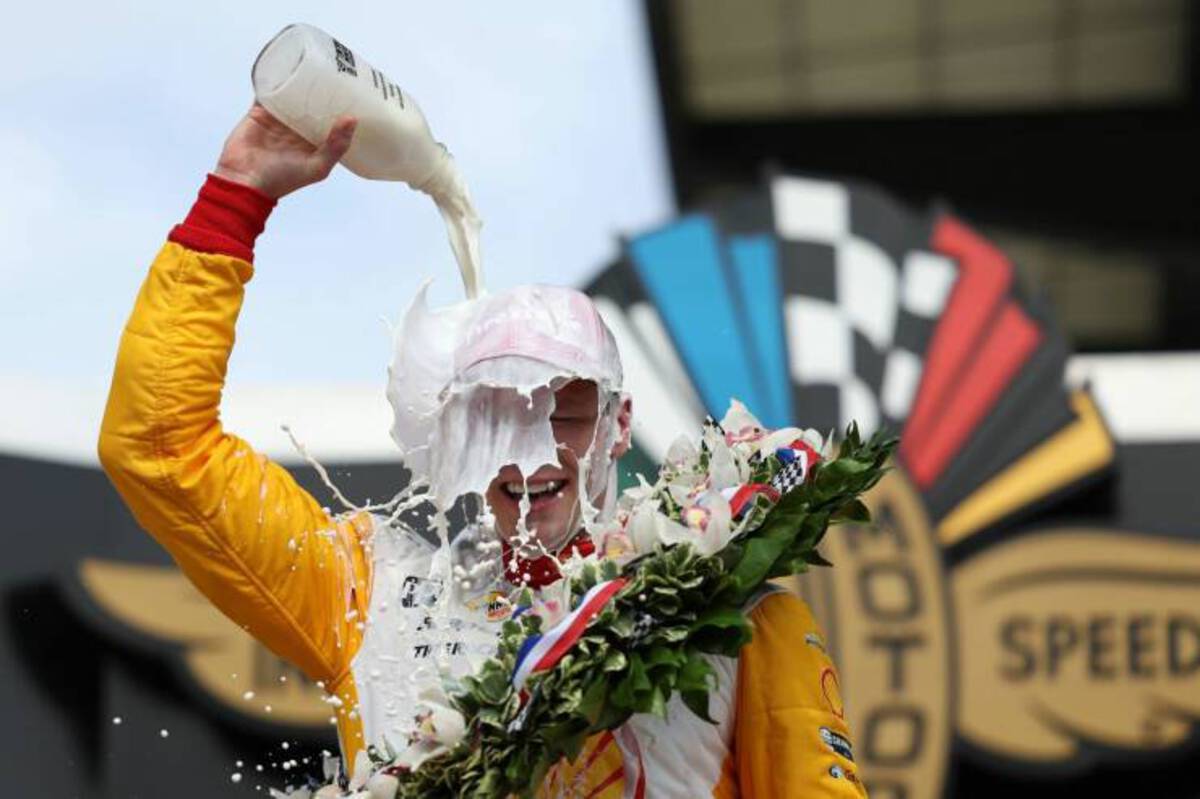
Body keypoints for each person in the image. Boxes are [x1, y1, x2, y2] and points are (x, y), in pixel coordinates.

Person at [98, 103, 866, 798]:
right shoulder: (369, 595)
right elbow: (159, 449)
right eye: (496, 413)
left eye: (565, 409)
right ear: (453, 429)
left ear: (619, 424)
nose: (531, 454)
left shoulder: (739, 611)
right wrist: (238, 194)